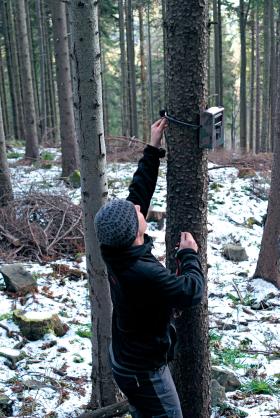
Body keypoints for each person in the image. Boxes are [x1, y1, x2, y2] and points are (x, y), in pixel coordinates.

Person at [94, 118, 205, 418]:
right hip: (144, 373)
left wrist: (153, 147)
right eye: (134, 213)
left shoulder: (115, 248)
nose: (136, 207)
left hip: (124, 359)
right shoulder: (144, 274)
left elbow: (138, 193)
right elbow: (191, 292)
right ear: (136, 235)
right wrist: (189, 255)